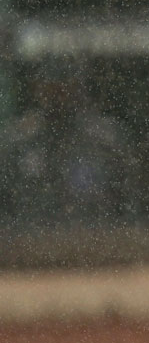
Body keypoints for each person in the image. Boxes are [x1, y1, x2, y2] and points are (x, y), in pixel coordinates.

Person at [0, 65, 130, 224]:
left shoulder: (104, 138)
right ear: (36, 88)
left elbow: (127, 206)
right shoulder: (17, 140)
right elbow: (9, 206)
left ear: (77, 87)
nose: (56, 93)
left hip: (95, 237)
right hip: (31, 237)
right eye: (48, 86)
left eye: (64, 85)